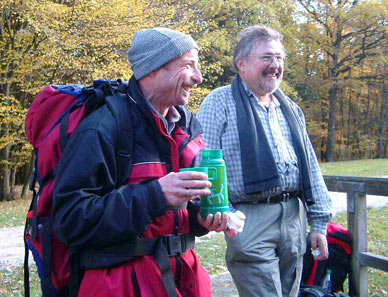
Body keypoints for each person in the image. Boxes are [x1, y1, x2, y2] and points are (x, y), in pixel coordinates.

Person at [52, 27, 236, 297]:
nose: (198, 77)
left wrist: (202, 218)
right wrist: (156, 194)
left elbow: (181, 208)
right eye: (188, 65)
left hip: (184, 279)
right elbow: (70, 220)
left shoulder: (187, 124)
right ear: (152, 69)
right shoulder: (103, 127)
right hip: (123, 285)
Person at [196, 25, 333, 297]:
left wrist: (319, 223)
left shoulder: (290, 108)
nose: (275, 65)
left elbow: (310, 167)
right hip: (249, 218)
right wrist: (222, 210)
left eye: (280, 58)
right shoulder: (220, 102)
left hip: (294, 217)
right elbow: (202, 163)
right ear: (242, 64)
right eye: (267, 57)